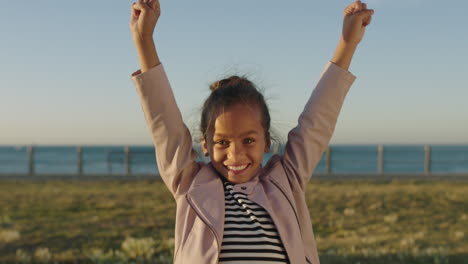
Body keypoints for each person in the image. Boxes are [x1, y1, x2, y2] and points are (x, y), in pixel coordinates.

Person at [129, 1, 374, 263]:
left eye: (248, 140)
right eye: (222, 142)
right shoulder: (190, 184)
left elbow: (318, 121)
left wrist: (347, 44)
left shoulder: (286, 181)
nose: (235, 154)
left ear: (267, 141)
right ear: (205, 144)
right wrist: (143, 39)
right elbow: (164, 124)